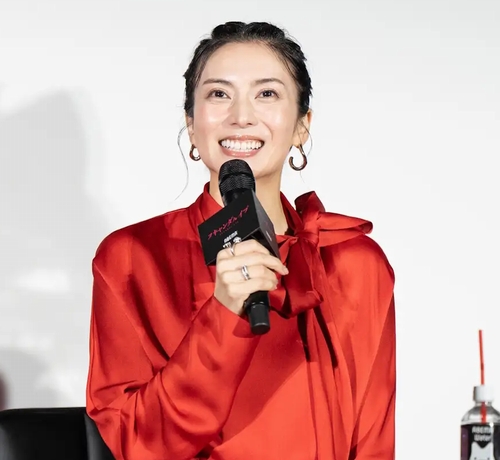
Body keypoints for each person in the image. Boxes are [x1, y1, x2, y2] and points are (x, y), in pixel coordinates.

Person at [86, 21, 396, 460]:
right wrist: (223, 314)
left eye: (266, 93)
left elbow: (373, 441)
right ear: (192, 125)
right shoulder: (132, 258)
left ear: (302, 126)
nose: (241, 116)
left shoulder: (355, 262)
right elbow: (136, 442)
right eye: (219, 94)